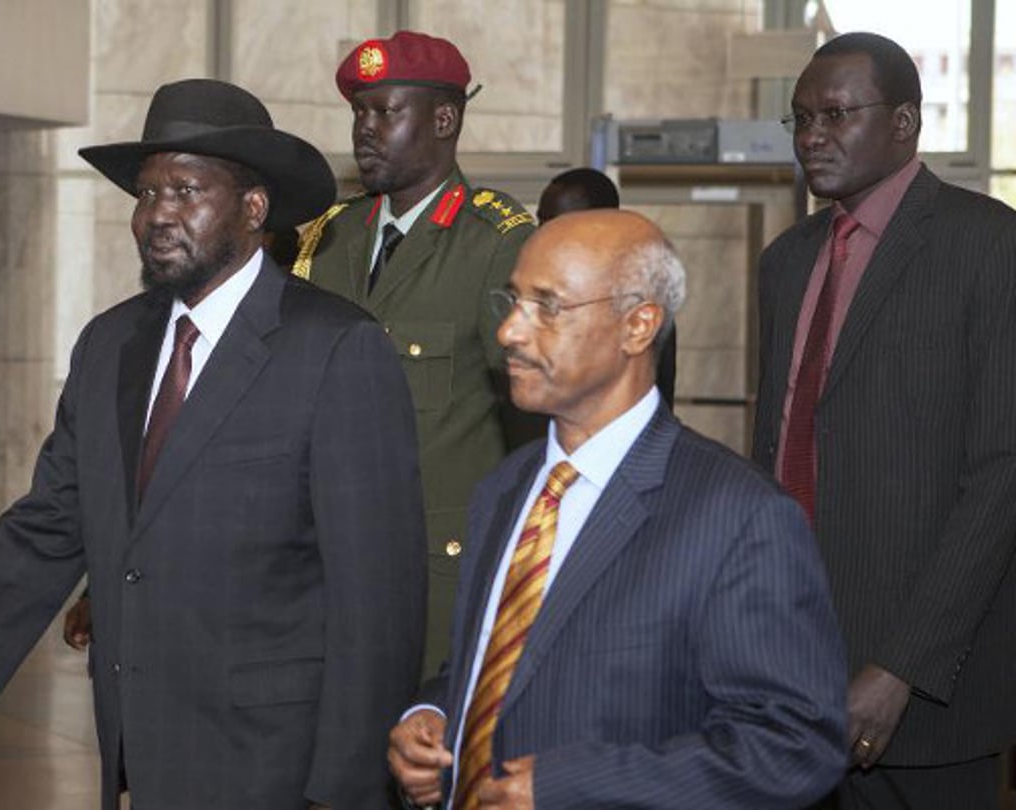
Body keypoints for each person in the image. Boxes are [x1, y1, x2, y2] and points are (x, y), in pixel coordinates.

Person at [0, 79, 427, 810]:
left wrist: (348, 788)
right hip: (140, 751)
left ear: (253, 208)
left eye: (185, 191)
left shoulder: (334, 349)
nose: (157, 216)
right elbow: (50, 522)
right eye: (147, 194)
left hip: (276, 763)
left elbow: (377, 603)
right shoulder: (110, 344)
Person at [390, 209, 847, 809]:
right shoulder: (503, 490)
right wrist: (433, 711)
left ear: (637, 326)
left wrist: (571, 788)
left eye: (547, 307)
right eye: (513, 300)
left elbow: (795, 743)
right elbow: (498, 664)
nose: (509, 333)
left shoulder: (738, 516)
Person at [752, 32, 1016, 809]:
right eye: (799, 119)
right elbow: (775, 451)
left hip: (925, 686)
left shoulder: (987, 245)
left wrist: (900, 665)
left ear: (903, 122)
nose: (811, 138)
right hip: (786, 666)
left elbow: (1001, 472)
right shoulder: (785, 261)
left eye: (835, 115)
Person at [292, 30, 538, 676]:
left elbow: (531, 420)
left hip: (435, 578)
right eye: (357, 113)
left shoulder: (495, 244)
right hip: (326, 569)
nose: (364, 130)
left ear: (444, 119)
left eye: (384, 112)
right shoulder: (329, 238)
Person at [536, 166, 677, 409]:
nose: (543, 233)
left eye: (558, 223)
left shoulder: (640, 307)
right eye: (541, 220)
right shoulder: (533, 294)